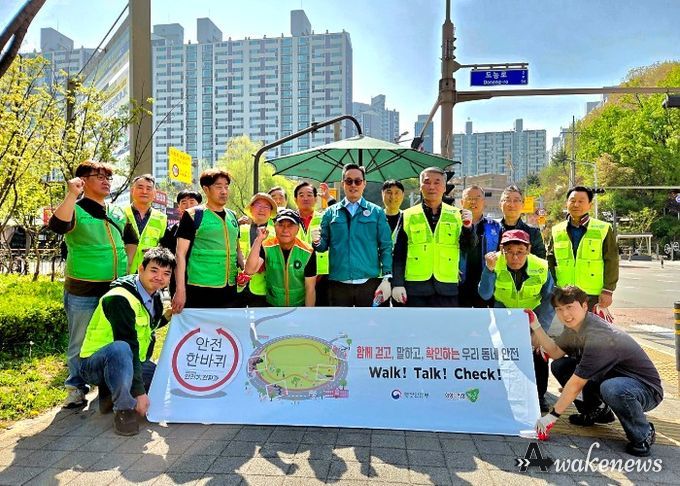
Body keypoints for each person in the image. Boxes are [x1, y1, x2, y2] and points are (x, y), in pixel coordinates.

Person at [532, 286, 663, 457]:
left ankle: (643, 434)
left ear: (584, 306)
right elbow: (556, 352)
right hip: (609, 379)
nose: (565, 314)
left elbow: (576, 383)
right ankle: (596, 411)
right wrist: (535, 324)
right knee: (561, 365)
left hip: (644, 389)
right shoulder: (575, 327)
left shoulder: (598, 335)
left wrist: (551, 417)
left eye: (570, 307)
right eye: (559, 309)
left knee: (612, 388)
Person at [49, 160, 138, 408]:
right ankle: (76, 387)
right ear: (83, 181)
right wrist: (71, 194)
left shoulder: (117, 211)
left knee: (113, 336)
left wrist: (127, 265)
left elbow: (131, 239)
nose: (106, 181)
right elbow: (57, 226)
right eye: (99, 177)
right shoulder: (75, 209)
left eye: (108, 177)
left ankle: (108, 384)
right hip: (83, 289)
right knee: (80, 340)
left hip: (115, 288)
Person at [79, 247, 175, 436]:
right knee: (121, 349)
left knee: (160, 382)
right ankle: (123, 410)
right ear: (141, 269)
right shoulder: (119, 298)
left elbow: (147, 328)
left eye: (166, 273)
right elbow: (128, 342)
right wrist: (139, 393)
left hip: (130, 362)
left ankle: (109, 395)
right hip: (95, 364)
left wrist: (167, 316)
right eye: (154, 270)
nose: (159, 277)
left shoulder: (153, 295)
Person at [478, 229, 555, 412]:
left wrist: (540, 331)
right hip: (504, 315)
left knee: (538, 353)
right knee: (505, 356)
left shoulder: (541, 266)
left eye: (520, 252)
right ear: (502, 250)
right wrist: (489, 270)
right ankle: (505, 394)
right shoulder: (493, 262)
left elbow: (550, 299)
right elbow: (485, 294)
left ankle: (539, 396)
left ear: (528, 250)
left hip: (533, 315)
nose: (514, 257)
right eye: (509, 252)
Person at [391, 167, 474, 307]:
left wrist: (468, 228)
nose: (432, 187)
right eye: (427, 182)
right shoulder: (407, 215)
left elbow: (468, 247)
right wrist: (397, 284)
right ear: (420, 186)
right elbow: (398, 254)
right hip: (415, 289)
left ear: (444, 187)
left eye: (437, 182)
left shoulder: (457, 215)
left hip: (447, 288)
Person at [313, 164, 393, 307]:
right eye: (349, 181)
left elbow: (386, 246)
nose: (353, 185)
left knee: (369, 321)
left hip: (369, 282)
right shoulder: (330, 213)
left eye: (358, 181)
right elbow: (322, 247)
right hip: (338, 282)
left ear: (364, 183)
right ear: (343, 183)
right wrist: (316, 241)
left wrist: (387, 277)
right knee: (341, 321)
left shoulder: (376, 212)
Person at [172, 169, 243, 312]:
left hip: (230, 287)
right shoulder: (193, 215)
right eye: (218, 187)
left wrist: (246, 269)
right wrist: (180, 290)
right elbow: (180, 254)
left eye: (226, 187)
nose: (224, 191)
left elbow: (237, 249)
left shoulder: (232, 216)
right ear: (206, 189)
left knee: (226, 325)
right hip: (200, 287)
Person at [546, 186, 619, 310]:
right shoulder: (557, 230)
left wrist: (608, 290)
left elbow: (611, 260)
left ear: (589, 205)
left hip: (592, 294)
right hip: (563, 292)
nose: (576, 204)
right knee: (566, 322)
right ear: (566, 203)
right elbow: (550, 261)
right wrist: (552, 287)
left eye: (581, 201)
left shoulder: (603, 229)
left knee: (591, 323)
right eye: (573, 200)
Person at [244, 209, 316, 307]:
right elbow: (249, 270)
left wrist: (307, 313)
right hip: (272, 304)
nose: (285, 230)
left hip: (298, 306)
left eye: (290, 225)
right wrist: (259, 239)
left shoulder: (308, 252)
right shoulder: (266, 247)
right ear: (274, 227)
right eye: (281, 225)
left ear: (298, 228)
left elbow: (310, 288)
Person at [459, 185, 502, 308]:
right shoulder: (453, 224)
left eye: (477, 198)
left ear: (484, 202)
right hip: (460, 282)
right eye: (469, 198)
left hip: (486, 281)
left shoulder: (495, 226)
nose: (473, 202)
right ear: (462, 202)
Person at [294, 181, 330, 306]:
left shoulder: (324, 218)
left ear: (315, 199)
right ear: (295, 199)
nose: (305, 198)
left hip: (322, 275)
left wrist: (329, 198)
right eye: (301, 195)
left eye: (309, 195)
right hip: (295, 274)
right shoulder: (289, 220)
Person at [238, 193, 277, 307]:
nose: (262, 209)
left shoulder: (276, 233)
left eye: (266, 207)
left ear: (270, 212)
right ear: (251, 208)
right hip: (239, 286)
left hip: (263, 289)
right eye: (258, 205)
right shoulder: (240, 229)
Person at [124, 174, 167, 272]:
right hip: (122, 270)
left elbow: (164, 246)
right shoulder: (120, 214)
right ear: (132, 190)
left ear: (154, 193)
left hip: (148, 271)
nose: (144, 191)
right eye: (140, 187)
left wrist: (156, 250)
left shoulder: (162, 218)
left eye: (148, 188)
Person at [498, 185, 546, 258]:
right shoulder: (491, 232)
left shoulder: (533, 234)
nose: (512, 204)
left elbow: (540, 261)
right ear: (500, 204)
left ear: (523, 205)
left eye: (516, 200)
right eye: (507, 200)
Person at [159, 189, 202, 255]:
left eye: (192, 202)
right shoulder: (172, 229)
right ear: (178, 206)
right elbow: (165, 249)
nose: (188, 207)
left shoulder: (207, 226)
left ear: (199, 206)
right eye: (184, 203)